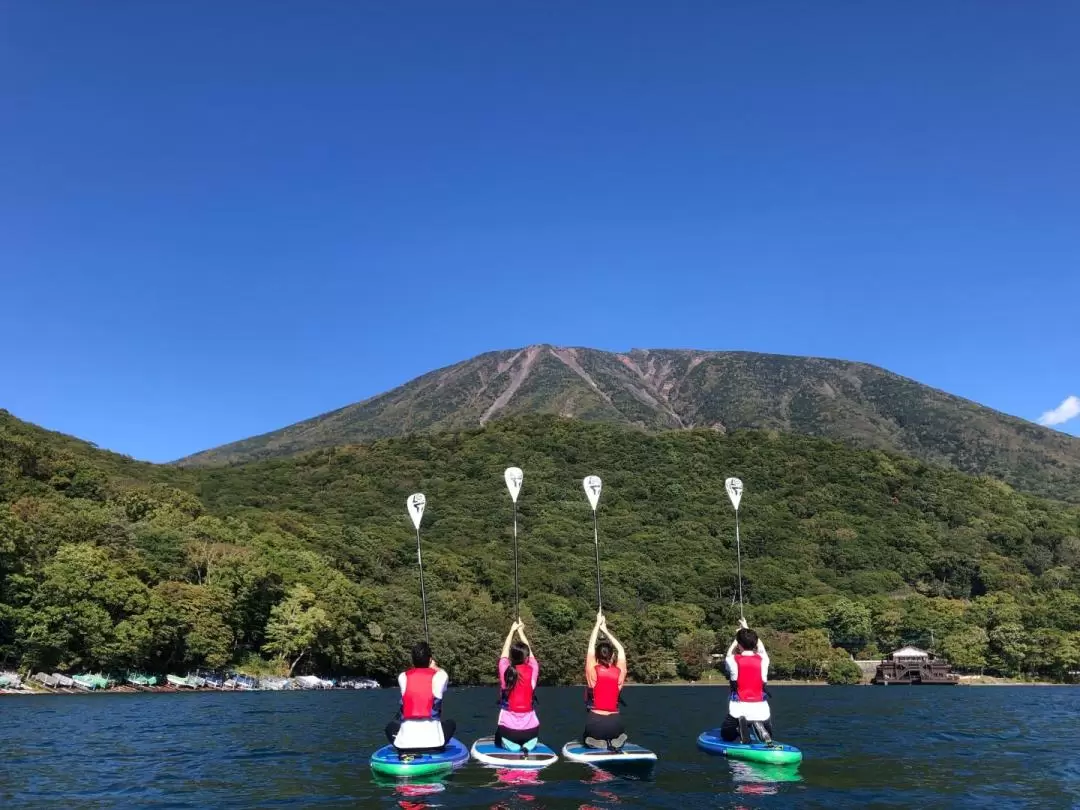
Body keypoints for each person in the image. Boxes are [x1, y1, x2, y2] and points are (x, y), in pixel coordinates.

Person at [384, 641, 457, 751]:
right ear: (430, 659)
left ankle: (403, 743)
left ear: (413, 660)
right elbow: (442, 678)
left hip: (405, 745)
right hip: (435, 744)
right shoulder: (441, 676)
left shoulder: (402, 677)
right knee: (451, 723)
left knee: (390, 727)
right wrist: (434, 666)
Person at [720, 619, 775, 745]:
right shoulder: (764, 659)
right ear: (754, 643)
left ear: (739, 645)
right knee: (767, 736)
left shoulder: (732, 660)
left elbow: (729, 652)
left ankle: (740, 727)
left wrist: (740, 633)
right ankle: (757, 724)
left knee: (726, 735)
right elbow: (760, 646)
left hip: (739, 709)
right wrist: (746, 628)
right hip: (761, 709)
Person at [493, 619, 540, 754]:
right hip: (531, 731)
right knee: (529, 736)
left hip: (509, 732)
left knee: (499, 736)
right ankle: (529, 744)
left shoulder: (505, 670)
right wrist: (521, 631)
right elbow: (530, 655)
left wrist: (512, 631)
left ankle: (511, 745)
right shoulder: (533, 670)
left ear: (511, 658)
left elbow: (504, 653)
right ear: (526, 658)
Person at [583, 611, 628, 750]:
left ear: (596, 656)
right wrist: (606, 630)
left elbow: (590, 646)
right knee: (617, 733)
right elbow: (621, 650)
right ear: (612, 656)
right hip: (616, 723)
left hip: (595, 723)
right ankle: (617, 739)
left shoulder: (592, 670)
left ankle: (593, 741)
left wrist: (597, 625)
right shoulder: (619, 672)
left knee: (585, 737)